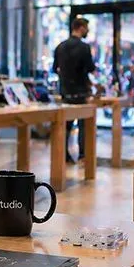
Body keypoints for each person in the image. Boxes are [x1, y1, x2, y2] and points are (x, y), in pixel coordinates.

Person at [52, 17, 96, 163]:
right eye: (87, 28)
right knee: (83, 126)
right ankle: (83, 155)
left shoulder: (60, 47)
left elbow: (55, 68)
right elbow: (90, 68)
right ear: (81, 27)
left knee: (66, 125)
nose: (88, 31)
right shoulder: (84, 47)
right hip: (81, 92)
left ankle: (64, 155)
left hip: (65, 91)